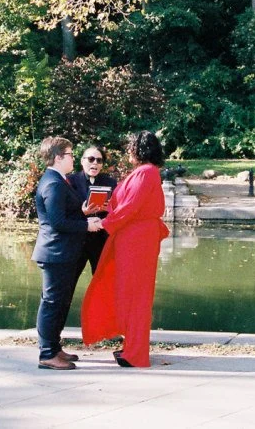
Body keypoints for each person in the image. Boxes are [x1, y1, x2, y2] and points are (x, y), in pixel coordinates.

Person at [80, 130, 170, 368]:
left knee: (137, 296)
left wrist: (103, 223)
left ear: (139, 150)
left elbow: (131, 207)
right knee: (129, 294)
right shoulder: (144, 173)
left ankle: (136, 354)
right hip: (134, 238)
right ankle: (132, 347)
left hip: (137, 240)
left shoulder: (146, 173)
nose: (128, 151)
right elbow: (128, 203)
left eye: (131, 147)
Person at [31, 136, 102, 371]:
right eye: (71, 154)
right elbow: (57, 222)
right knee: (52, 303)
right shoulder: (53, 183)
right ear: (59, 157)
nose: (73, 158)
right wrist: (87, 225)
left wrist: (82, 212)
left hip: (63, 253)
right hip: (55, 253)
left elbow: (64, 214)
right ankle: (47, 354)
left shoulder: (60, 180)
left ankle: (54, 346)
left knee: (61, 302)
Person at [67, 145, 117, 275]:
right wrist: (82, 212)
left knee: (102, 281)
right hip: (78, 240)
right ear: (82, 161)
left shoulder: (110, 182)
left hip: (101, 240)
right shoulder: (70, 181)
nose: (95, 162)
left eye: (99, 160)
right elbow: (65, 213)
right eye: (91, 159)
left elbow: (118, 211)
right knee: (69, 282)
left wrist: (109, 208)